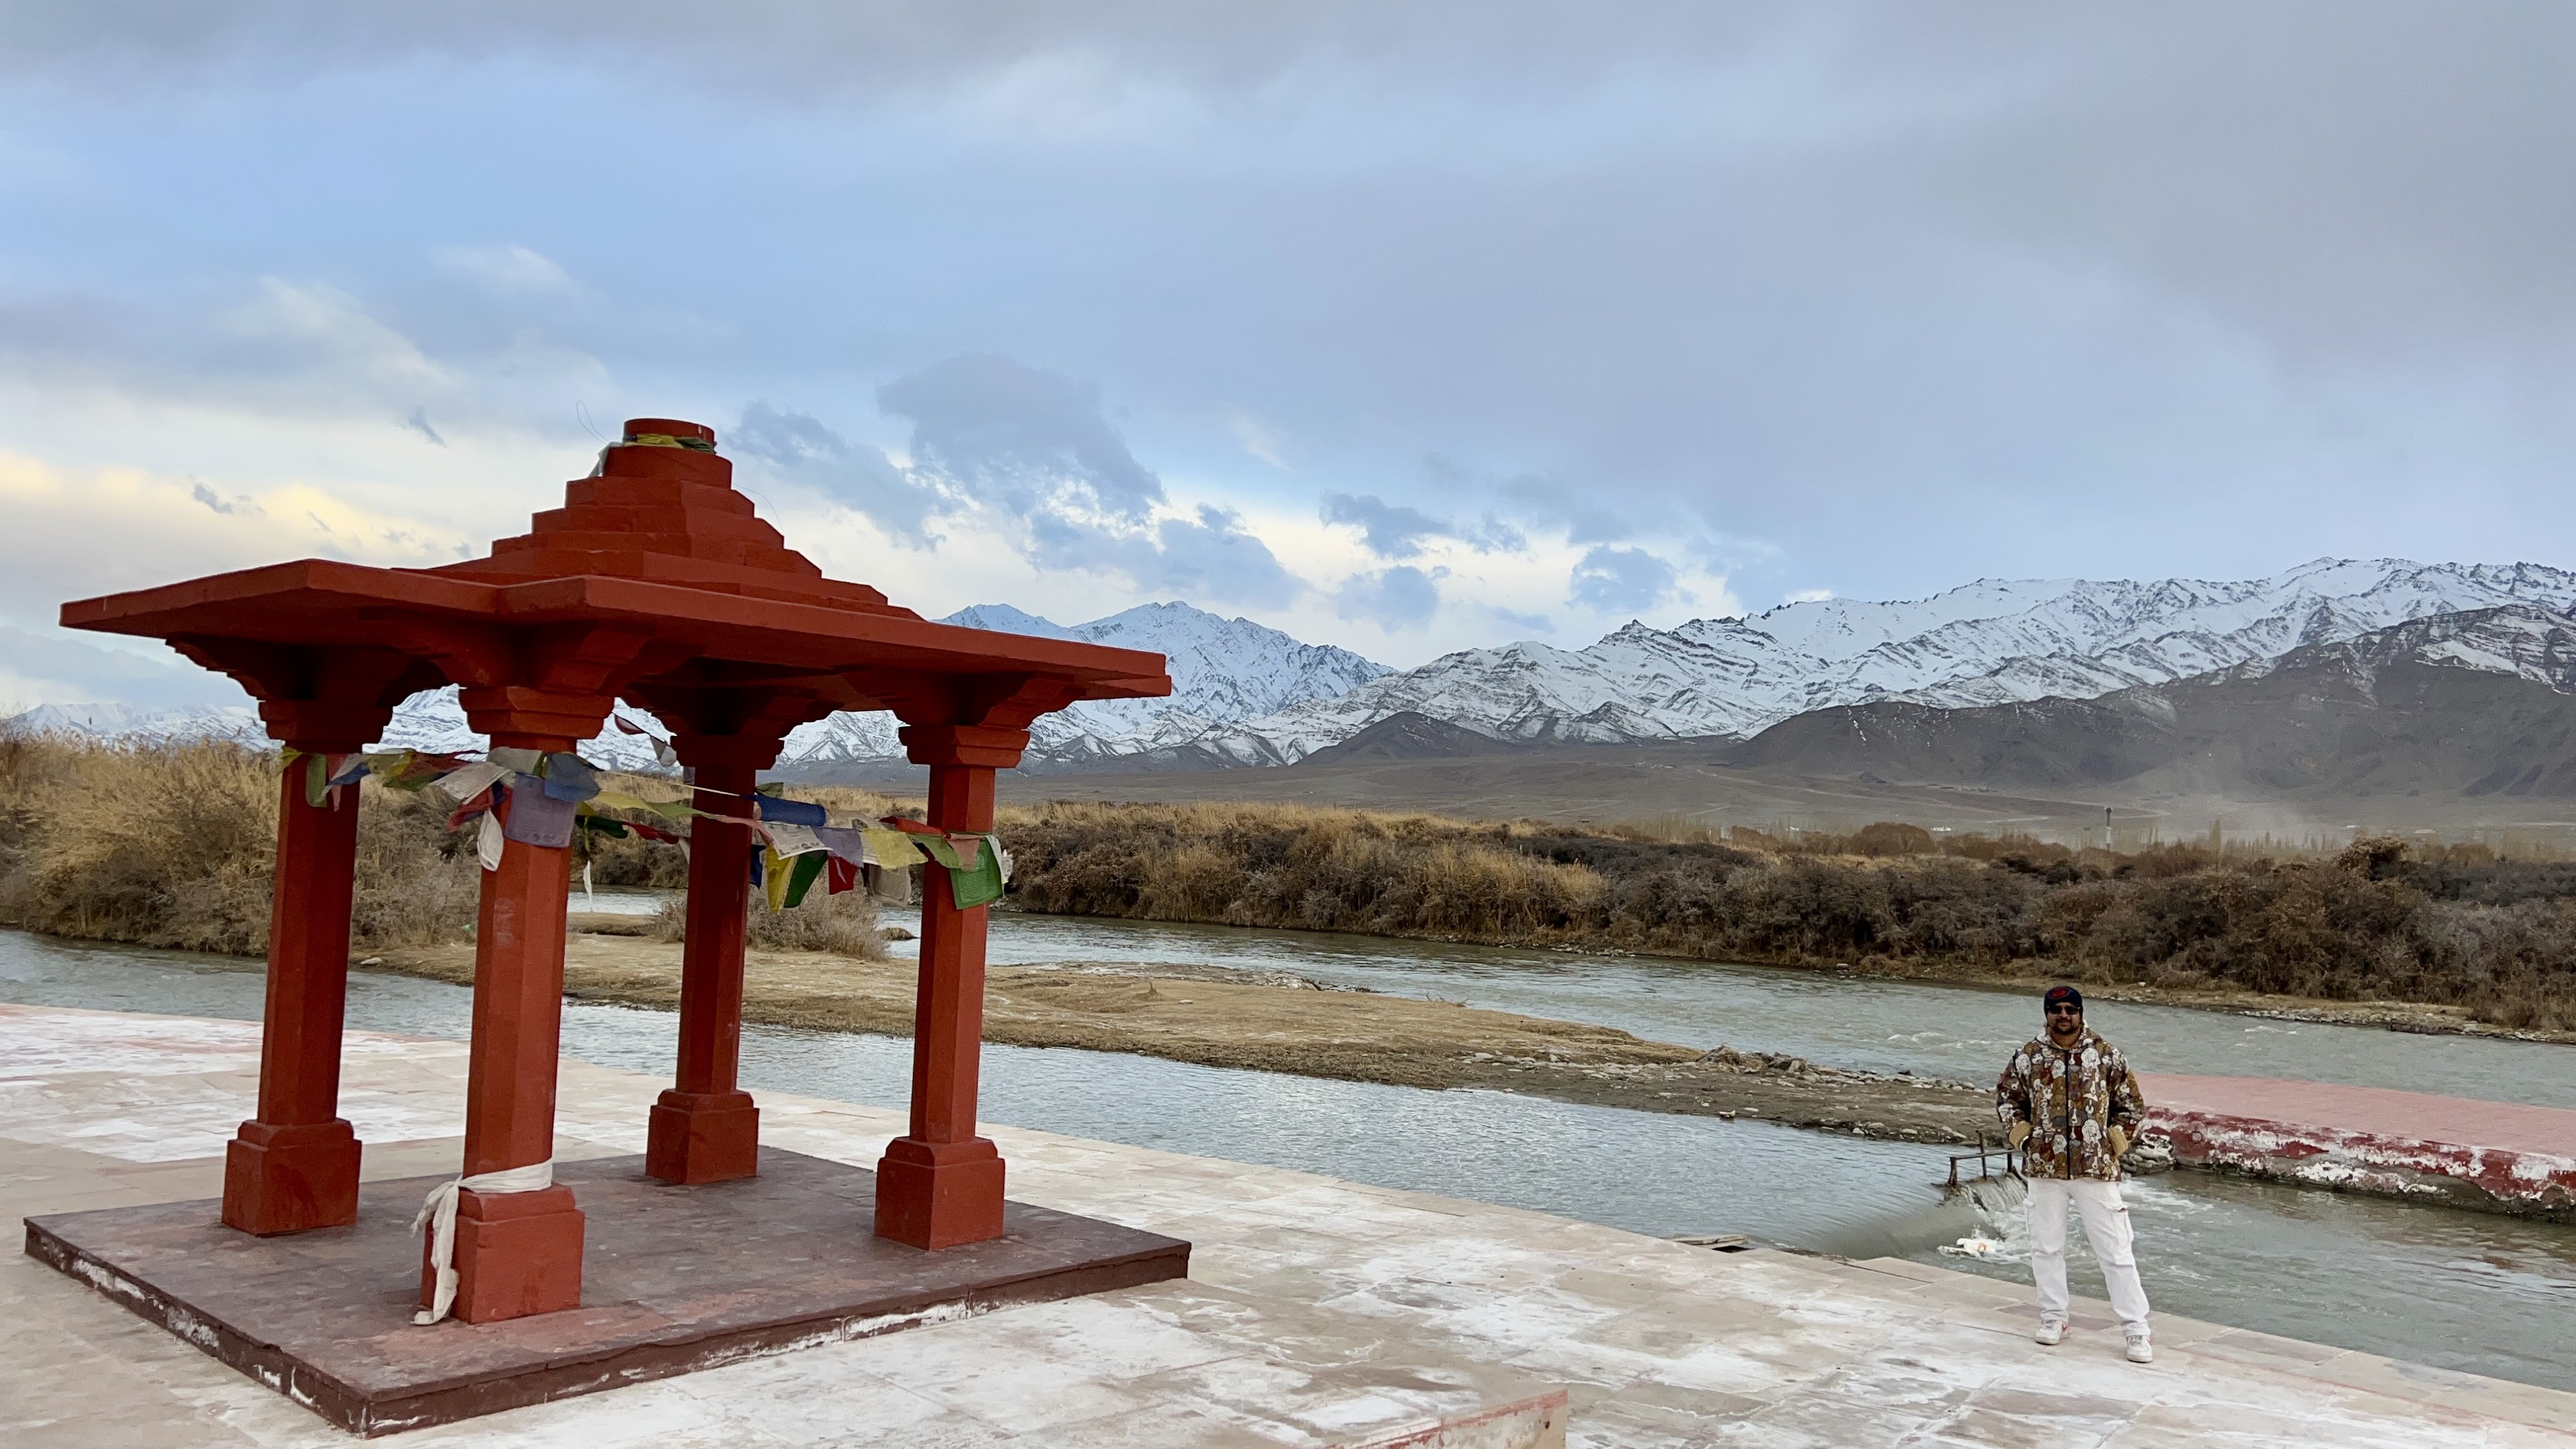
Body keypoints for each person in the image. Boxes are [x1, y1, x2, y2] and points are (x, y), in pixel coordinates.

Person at [1995, 984, 2154, 1363]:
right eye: (2056, 1009)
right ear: (2046, 1014)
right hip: (2044, 1168)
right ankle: (2053, 1317)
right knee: (2046, 1247)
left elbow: (2131, 1104)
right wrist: (2024, 1138)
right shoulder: (2027, 1057)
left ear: (2081, 1013)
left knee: (2116, 1252)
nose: (2063, 1016)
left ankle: (2136, 1330)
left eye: (2070, 1009)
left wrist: (2116, 1141)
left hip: (2096, 1171)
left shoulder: (2106, 1055)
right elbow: (2006, 1099)